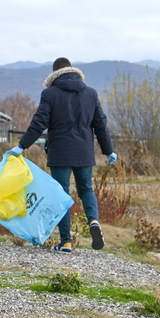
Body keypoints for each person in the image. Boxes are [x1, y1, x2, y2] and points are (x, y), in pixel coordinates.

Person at [7, 57, 117, 253]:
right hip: (84, 152)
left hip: (60, 152)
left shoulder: (50, 94)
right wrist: (108, 151)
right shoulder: (90, 94)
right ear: (73, 70)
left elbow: (39, 123)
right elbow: (101, 124)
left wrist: (22, 146)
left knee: (61, 195)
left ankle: (66, 242)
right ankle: (93, 221)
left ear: (54, 73)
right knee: (86, 190)